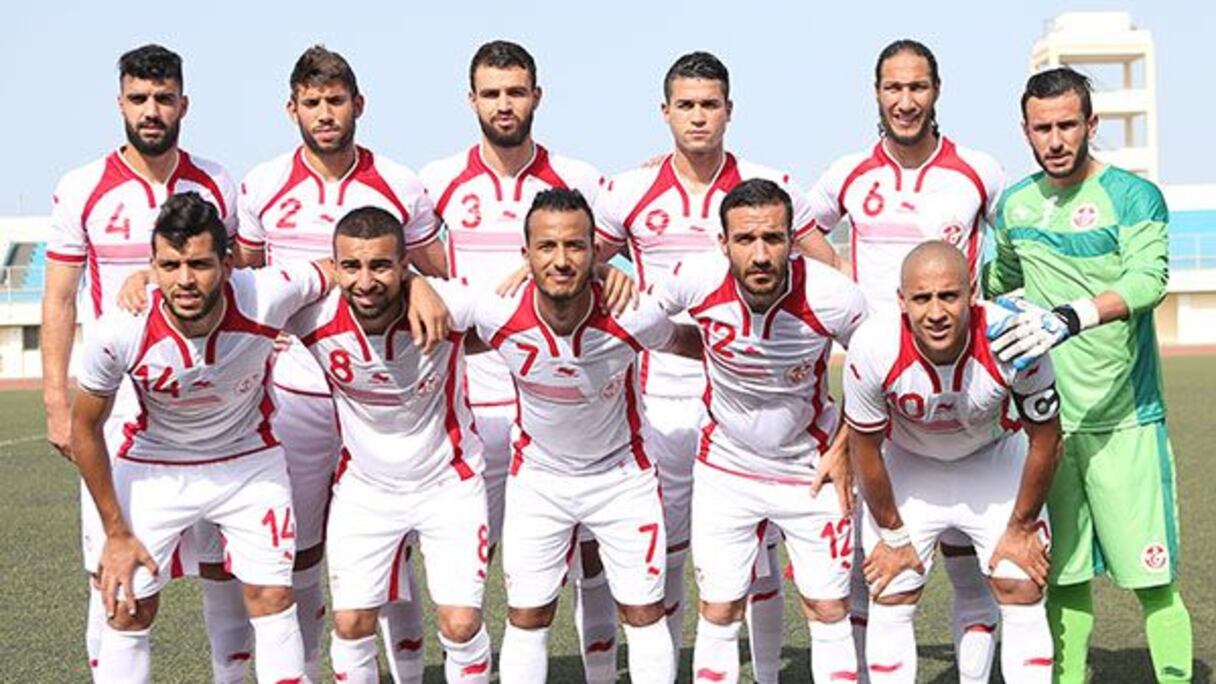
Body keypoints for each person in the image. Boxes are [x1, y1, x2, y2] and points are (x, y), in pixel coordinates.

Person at [593, 51, 837, 681]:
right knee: (672, 551)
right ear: (665, 112)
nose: (698, 117)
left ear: (730, 110)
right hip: (663, 397)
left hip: (753, 392)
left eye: (710, 105)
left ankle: (768, 674)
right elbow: (579, 259)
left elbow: (826, 268)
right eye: (686, 105)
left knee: (762, 552)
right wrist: (609, 284)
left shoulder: (767, 185)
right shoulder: (629, 190)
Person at [233, 44, 444, 680]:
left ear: (359, 104)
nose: (325, 113)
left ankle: (407, 673)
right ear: (291, 109)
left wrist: (423, 285)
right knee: (300, 550)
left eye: (335, 101)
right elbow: (247, 278)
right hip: (296, 393)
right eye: (312, 102)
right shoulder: (262, 184)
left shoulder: (400, 182)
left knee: (394, 549)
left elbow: (436, 271)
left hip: (384, 393)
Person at [804, 40, 1007, 683]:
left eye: (917, 87)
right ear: (877, 93)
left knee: (967, 564)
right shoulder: (849, 174)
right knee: (878, 566)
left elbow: (1014, 239)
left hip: (956, 387)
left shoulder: (978, 172)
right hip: (876, 388)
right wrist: (840, 269)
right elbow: (800, 223)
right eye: (893, 88)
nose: (905, 100)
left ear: (936, 90)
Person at [39, 44, 242, 681]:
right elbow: (60, 298)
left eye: (163, 98)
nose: (151, 111)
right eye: (139, 99)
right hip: (119, 409)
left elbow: (238, 279)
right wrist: (56, 402)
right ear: (120, 103)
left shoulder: (217, 182)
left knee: (224, 569)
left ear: (184, 103)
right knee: (115, 571)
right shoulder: (83, 187)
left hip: (210, 407)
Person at [985, 67, 1192, 684]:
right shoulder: (1015, 205)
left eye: (1067, 125)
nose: (1055, 140)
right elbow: (998, 282)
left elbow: (1148, 280)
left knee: (1153, 579)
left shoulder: (1133, 197)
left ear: (1091, 124)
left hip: (1125, 420)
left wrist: (1070, 317)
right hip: (1048, 429)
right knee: (1063, 578)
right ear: (1025, 130)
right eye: (1042, 128)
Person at [70, 192, 329, 683]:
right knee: (127, 606)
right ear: (152, 267)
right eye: (170, 265)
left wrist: (415, 285)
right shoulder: (119, 329)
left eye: (200, 264)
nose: (185, 280)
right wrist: (116, 533)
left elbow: (334, 269)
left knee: (273, 597)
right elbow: (84, 428)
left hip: (248, 460)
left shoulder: (266, 293)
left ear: (227, 265)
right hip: (154, 465)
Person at [417, 40, 614, 683]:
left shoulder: (579, 178)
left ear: (537, 96)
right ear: (472, 100)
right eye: (492, 93)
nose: (504, 104)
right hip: (470, 397)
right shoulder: (438, 178)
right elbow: (412, 258)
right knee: (474, 558)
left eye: (516, 91)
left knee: (588, 556)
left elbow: (608, 257)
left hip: (559, 394)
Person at [474, 188, 699, 684]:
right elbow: (437, 332)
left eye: (574, 246)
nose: (560, 260)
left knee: (644, 613)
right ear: (526, 254)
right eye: (546, 247)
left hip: (622, 479)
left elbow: (693, 343)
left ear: (596, 253)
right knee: (527, 616)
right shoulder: (495, 313)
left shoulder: (633, 315)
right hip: (538, 481)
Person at [652, 179, 866, 684]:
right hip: (726, 470)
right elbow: (637, 321)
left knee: (828, 609)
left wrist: (845, 447)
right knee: (720, 610)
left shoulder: (834, 296)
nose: (761, 254)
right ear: (722, 243)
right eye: (745, 240)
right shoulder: (694, 279)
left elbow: (879, 368)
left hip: (810, 470)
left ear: (793, 241)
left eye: (773, 238)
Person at [286, 207, 491, 683]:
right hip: (366, 489)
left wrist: (604, 271)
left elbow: (534, 299)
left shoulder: (450, 305)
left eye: (380, 265)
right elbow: (223, 290)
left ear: (403, 265)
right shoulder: (312, 316)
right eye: (351, 266)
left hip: (449, 484)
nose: (365, 281)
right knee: (351, 625)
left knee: (461, 624)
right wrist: (145, 277)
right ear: (334, 268)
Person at [846, 241, 1061, 683]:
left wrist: (1022, 527)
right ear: (901, 301)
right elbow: (864, 449)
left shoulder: (1014, 337)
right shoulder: (873, 345)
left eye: (949, 296)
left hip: (993, 460)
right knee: (893, 586)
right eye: (922, 298)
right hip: (911, 465)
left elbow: (1047, 439)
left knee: (1020, 580)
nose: (936, 312)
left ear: (973, 292)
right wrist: (892, 535)